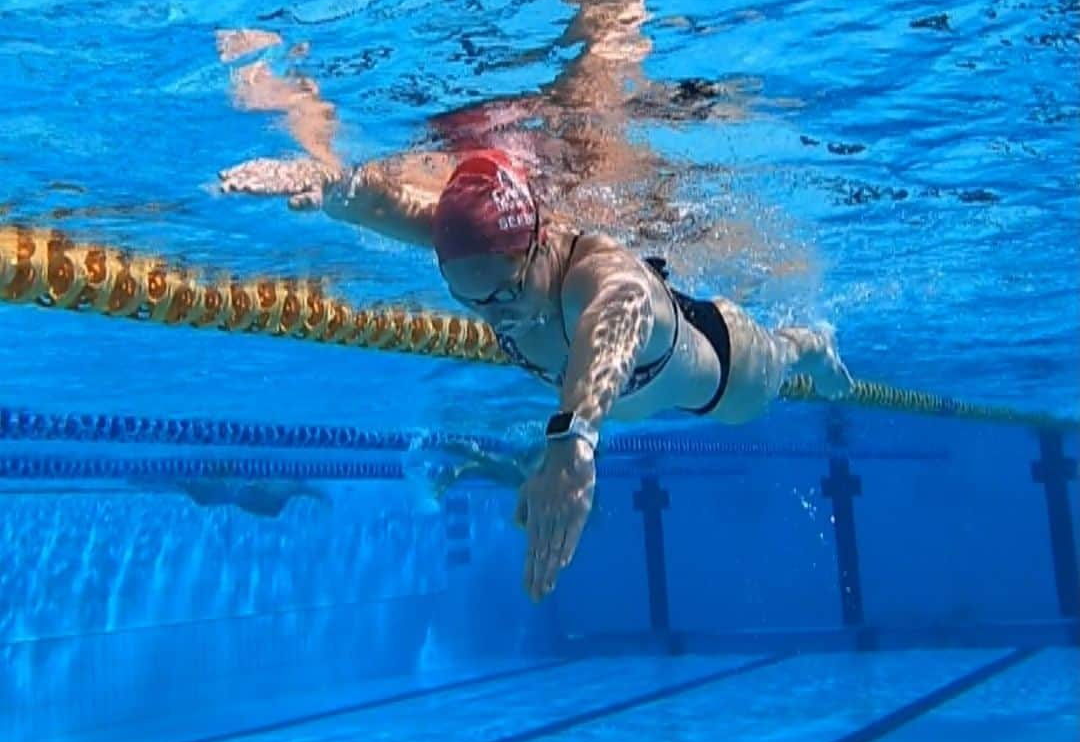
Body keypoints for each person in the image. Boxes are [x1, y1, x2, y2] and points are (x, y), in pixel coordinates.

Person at [219, 144, 851, 601]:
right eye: (468, 300)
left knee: (772, 377)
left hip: (722, 371)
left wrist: (573, 445)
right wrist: (321, 181)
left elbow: (623, 312)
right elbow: (376, 197)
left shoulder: (596, 277)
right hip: (639, 394)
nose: (497, 315)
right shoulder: (482, 258)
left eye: (505, 295)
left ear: (540, 244)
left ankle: (811, 345)